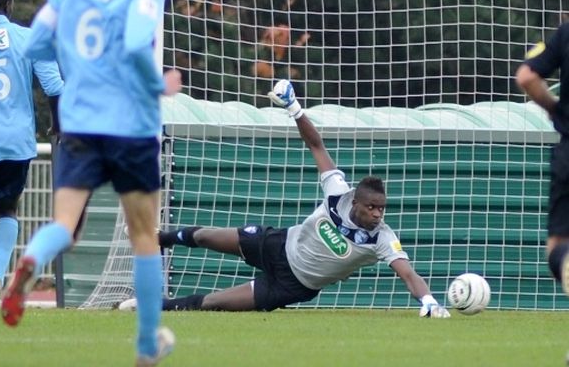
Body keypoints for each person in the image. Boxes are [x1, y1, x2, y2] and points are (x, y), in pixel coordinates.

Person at [121, 79, 450, 318]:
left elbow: (408, 273)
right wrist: (294, 108)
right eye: (372, 207)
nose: (378, 214)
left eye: (382, 209)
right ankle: (155, 239)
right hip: (277, 243)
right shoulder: (338, 193)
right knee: (207, 235)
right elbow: (317, 147)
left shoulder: (382, 239)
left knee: (213, 303)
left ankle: (149, 305)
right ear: (357, 202)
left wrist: (428, 301)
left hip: (292, 285)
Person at [0, 0, 175, 366]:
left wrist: (81, 64)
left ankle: (30, 261)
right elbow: (133, 46)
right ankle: (148, 345)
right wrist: (158, 86)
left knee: (63, 226)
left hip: (80, 125)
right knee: (145, 236)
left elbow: (36, 46)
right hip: (131, 126)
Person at [0, 0, 64, 323]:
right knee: (8, 208)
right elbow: (54, 85)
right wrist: (57, 124)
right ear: (8, 6)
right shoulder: (27, 38)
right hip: (17, 142)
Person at [516, 23, 569, 295]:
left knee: (558, 247)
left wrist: (555, 108)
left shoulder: (565, 33)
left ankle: (565, 260)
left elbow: (526, 77)